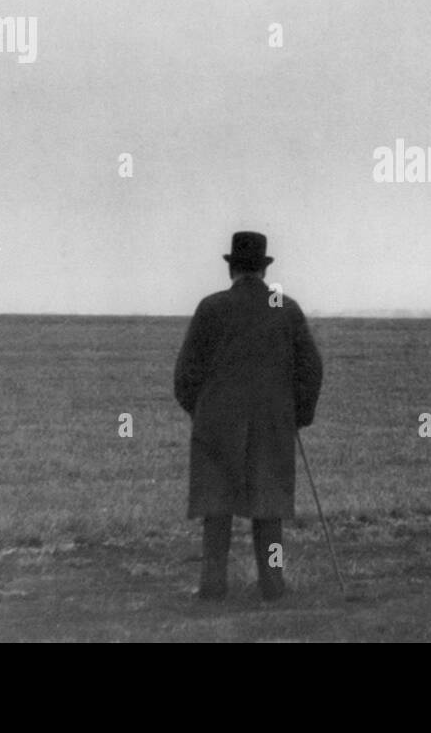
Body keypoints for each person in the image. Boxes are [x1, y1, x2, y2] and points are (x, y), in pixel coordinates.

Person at [174, 231, 324, 601]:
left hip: (216, 423)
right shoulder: (283, 306)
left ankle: (211, 586)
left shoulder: (211, 307)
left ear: (232, 269)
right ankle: (273, 584)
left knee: (216, 507)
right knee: (268, 507)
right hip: (272, 423)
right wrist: (297, 414)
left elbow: (185, 375)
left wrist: (203, 411)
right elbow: (312, 369)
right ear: (262, 267)